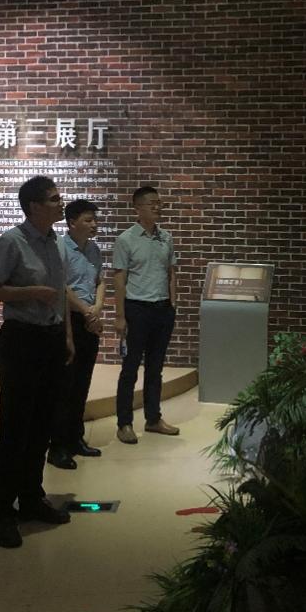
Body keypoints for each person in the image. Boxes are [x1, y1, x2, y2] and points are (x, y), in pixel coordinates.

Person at [0, 175, 73, 549]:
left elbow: (61, 294)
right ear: (33, 206)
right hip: (21, 340)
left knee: (42, 424)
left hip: (51, 338)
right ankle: (4, 513)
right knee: (16, 427)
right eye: (53, 199)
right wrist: (30, 292)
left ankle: (32, 498)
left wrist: (66, 337)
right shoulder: (12, 241)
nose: (60, 203)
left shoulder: (55, 242)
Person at [112, 186, 179, 445]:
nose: (158, 207)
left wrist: (173, 304)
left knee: (155, 368)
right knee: (130, 369)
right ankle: (124, 423)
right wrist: (120, 316)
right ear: (137, 208)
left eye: (159, 203)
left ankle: (153, 419)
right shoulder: (125, 239)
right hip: (136, 310)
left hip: (162, 310)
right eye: (152, 203)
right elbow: (119, 279)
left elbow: (171, 273)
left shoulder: (166, 238)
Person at [47, 199, 105, 470]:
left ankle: (75, 438)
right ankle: (57, 446)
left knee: (82, 384)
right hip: (69, 320)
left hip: (89, 320)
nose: (94, 224)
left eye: (95, 220)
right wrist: (85, 310)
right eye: (88, 220)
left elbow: (100, 281)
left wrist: (97, 309)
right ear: (72, 222)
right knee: (64, 387)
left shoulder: (94, 249)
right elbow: (61, 287)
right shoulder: (60, 247)